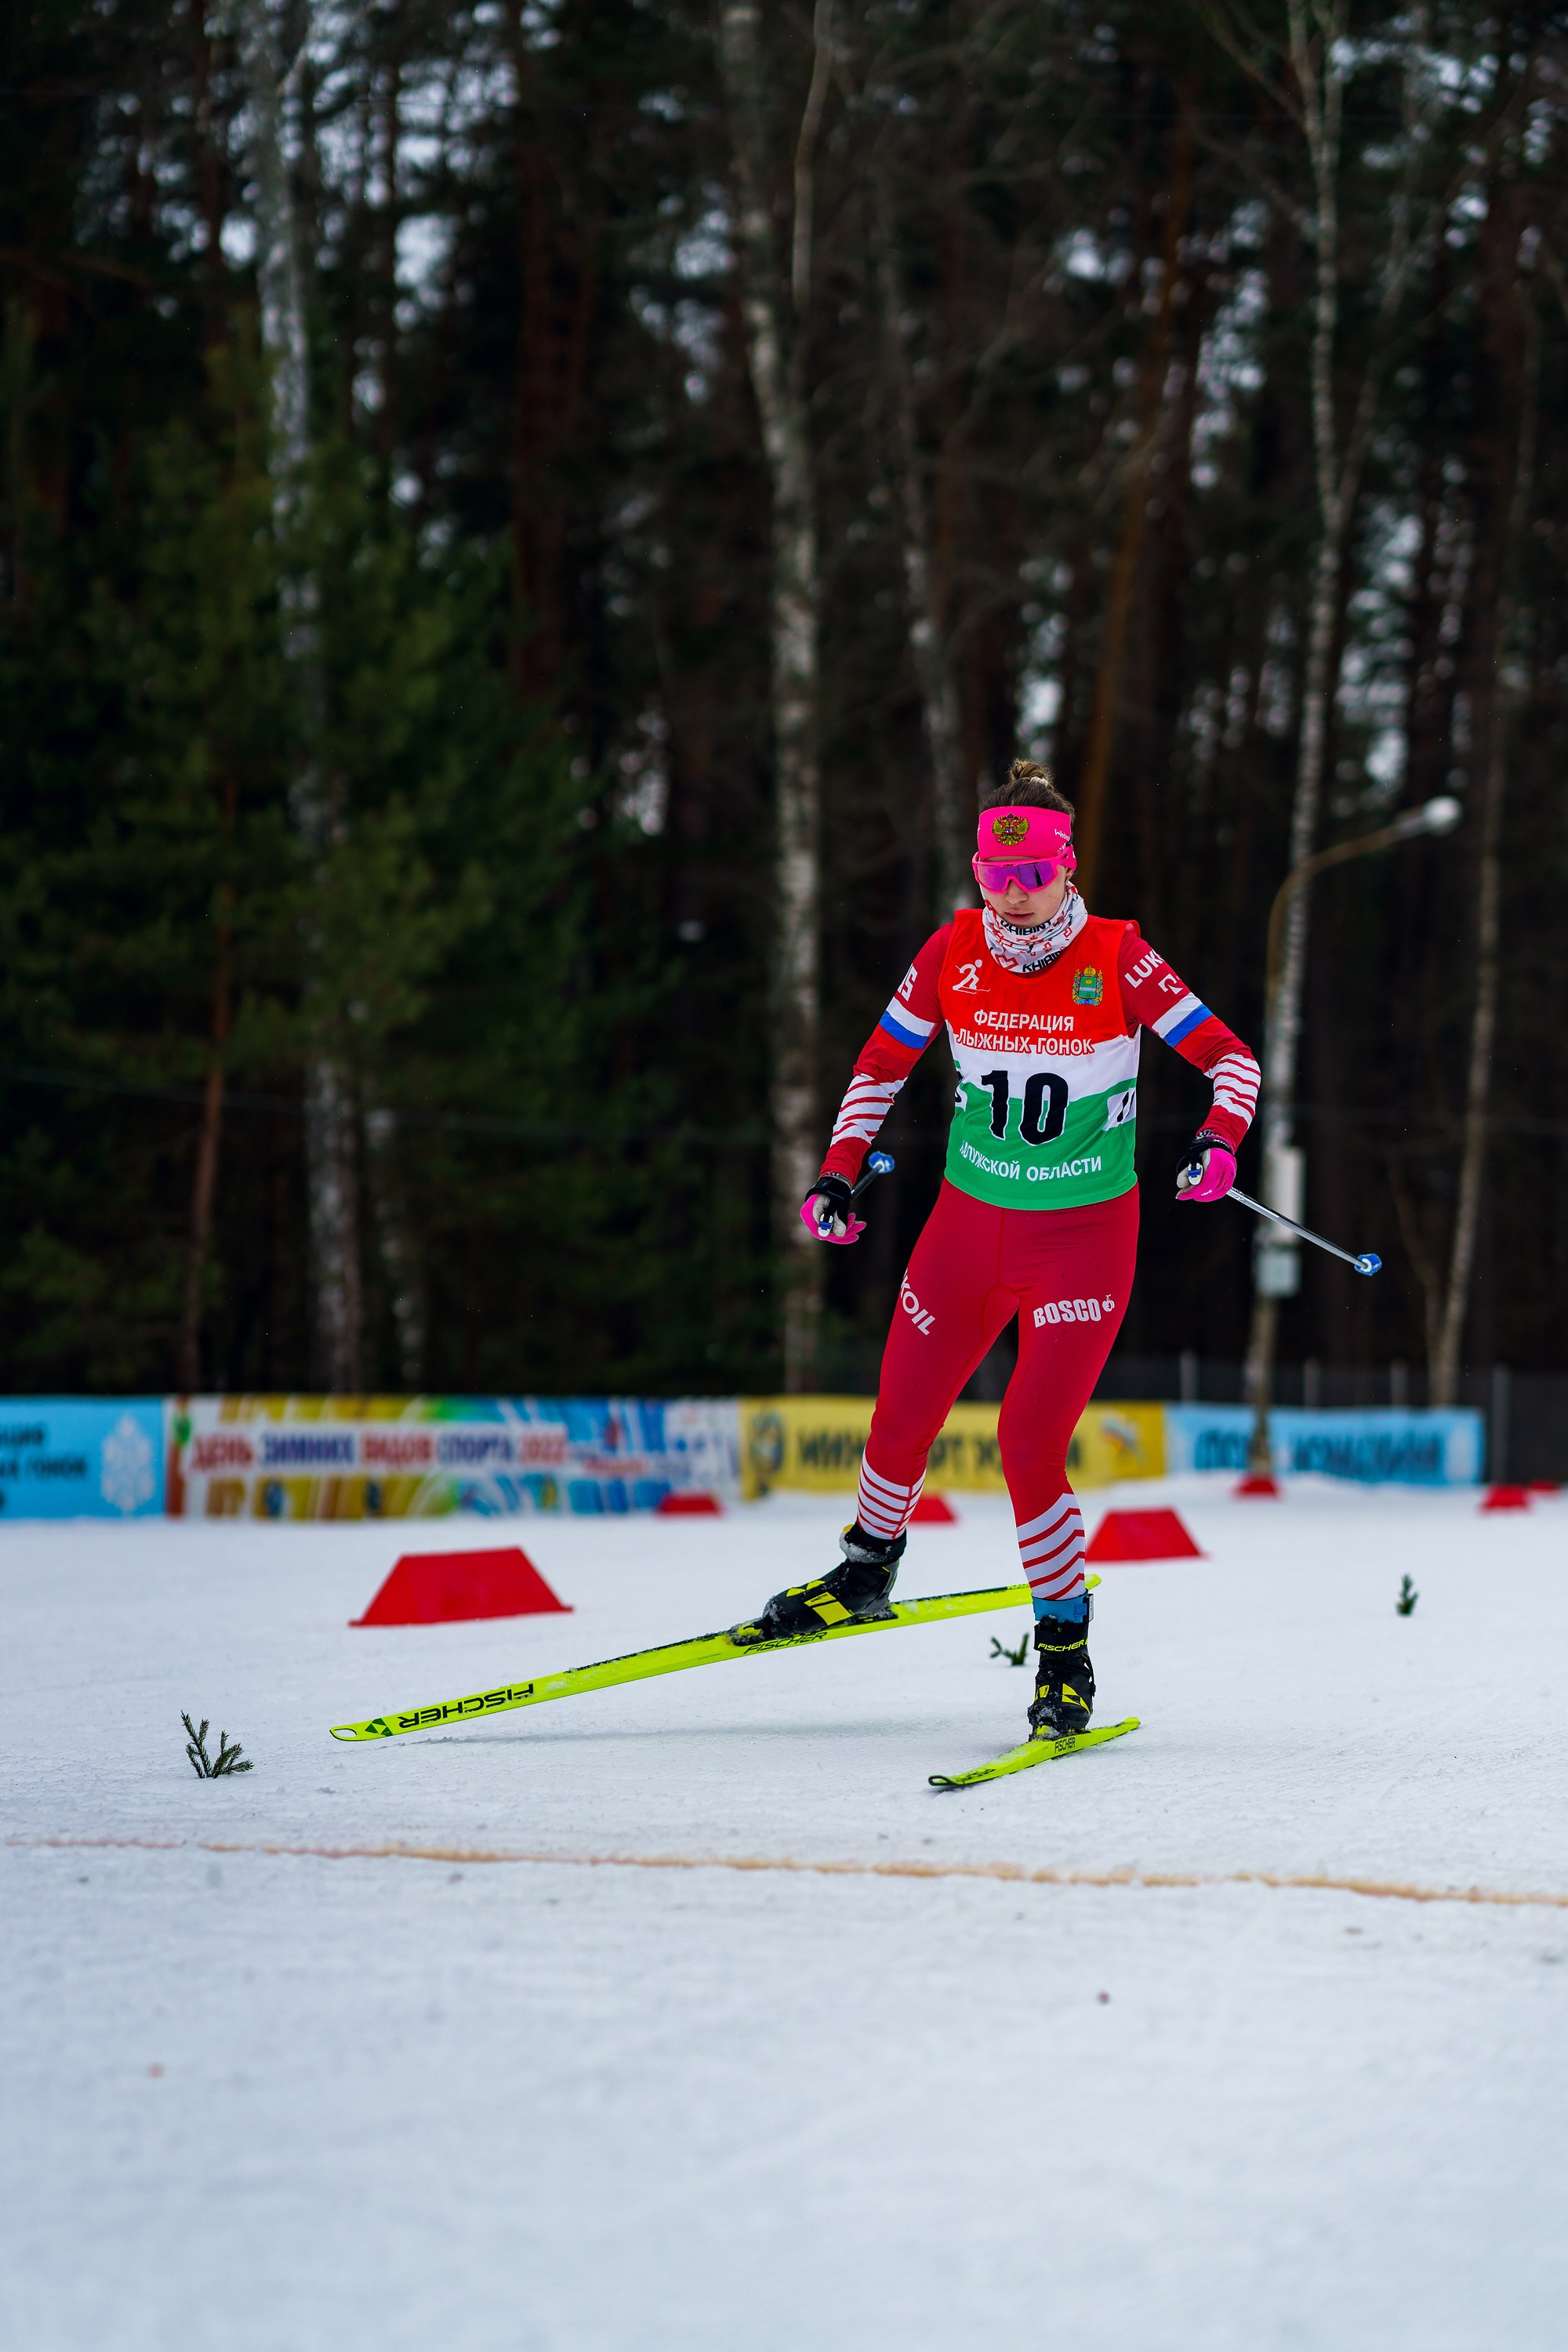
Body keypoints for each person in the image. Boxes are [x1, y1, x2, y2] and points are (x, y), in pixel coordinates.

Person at [751, 760, 1259, 1741]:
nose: (1013, 892)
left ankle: (1063, 1658)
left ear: (1068, 869)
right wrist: (835, 1171)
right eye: (996, 872)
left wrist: (1217, 1140)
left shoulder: (1116, 955)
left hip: (1080, 1240)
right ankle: (865, 1568)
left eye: (1032, 873)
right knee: (898, 1416)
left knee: (1028, 1445)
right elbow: (880, 1062)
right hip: (965, 1227)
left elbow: (1228, 1059)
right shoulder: (951, 950)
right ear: (978, 872)